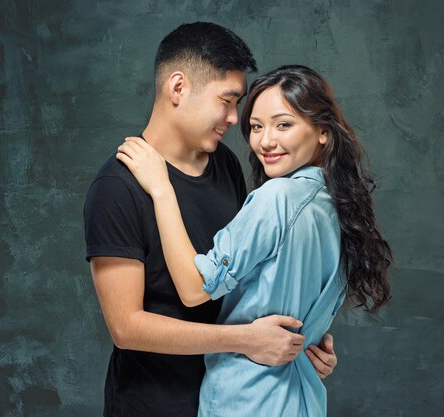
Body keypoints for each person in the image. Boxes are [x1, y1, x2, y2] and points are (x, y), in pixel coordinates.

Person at [83, 23, 337, 417]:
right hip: (153, 404)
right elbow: (126, 327)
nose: (236, 119)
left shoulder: (226, 165)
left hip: (231, 398)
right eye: (227, 100)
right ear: (178, 88)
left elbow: (245, 272)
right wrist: (245, 340)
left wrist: (301, 344)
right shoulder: (117, 187)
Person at [117, 65, 392, 417]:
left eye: (283, 125)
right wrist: (313, 344)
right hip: (302, 398)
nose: (265, 141)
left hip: (247, 398)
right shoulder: (343, 209)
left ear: (323, 130)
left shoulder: (277, 198)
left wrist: (161, 189)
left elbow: (194, 287)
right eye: (257, 127)